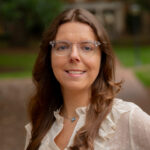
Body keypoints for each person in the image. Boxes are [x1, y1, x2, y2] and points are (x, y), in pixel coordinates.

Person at [24, 8, 150, 150]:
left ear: (101, 58)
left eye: (87, 48)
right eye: (62, 47)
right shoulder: (39, 126)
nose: (74, 55)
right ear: (49, 57)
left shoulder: (127, 118)